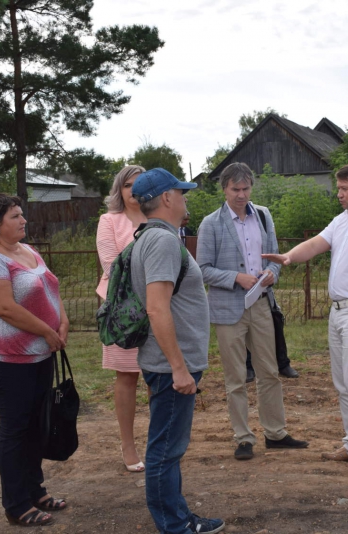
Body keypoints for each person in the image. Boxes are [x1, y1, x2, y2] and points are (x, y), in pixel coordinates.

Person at [263, 161, 348, 476]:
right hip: (339, 311)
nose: (338, 194)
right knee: (343, 382)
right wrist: (288, 257)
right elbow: (316, 245)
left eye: (344, 188)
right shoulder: (342, 220)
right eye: (338, 188)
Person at [130, 168, 224, 534]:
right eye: (181, 193)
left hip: (168, 362)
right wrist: (178, 368)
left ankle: (179, 515)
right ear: (167, 198)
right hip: (170, 366)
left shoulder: (152, 237)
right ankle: (173, 525)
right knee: (165, 449)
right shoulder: (163, 242)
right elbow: (156, 307)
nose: (185, 199)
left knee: (169, 447)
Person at [0, 194, 69, 527]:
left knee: (35, 425)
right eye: (16, 216)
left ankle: (35, 491)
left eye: (22, 214)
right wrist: (48, 331)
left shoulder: (28, 251)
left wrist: (63, 321)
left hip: (41, 353)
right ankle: (16, 504)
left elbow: (51, 288)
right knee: (15, 429)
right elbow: (5, 308)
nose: (24, 220)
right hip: (8, 358)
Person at [197, 162, 308, 461]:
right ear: (224, 189)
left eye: (246, 189)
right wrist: (235, 277)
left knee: (269, 372)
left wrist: (272, 273)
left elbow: (274, 258)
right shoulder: (211, 223)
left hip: (260, 304)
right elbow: (203, 270)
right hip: (227, 309)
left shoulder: (263, 214)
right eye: (235, 189)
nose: (241, 195)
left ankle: (276, 433)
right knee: (235, 378)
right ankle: (243, 437)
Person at [96, 165, 148, 473]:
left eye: (140, 185)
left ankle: (160, 441)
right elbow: (111, 265)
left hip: (158, 308)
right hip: (122, 311)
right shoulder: (109, 220)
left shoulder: (160, 220)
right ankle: (127, 444)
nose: (133, 190)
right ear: (120, 189)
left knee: (159, 376)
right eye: (128, 185)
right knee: (128, 376)